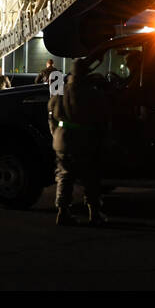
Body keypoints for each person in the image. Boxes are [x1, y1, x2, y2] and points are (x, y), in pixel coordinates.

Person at [48, 57, 108, 226]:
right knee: (91, 178)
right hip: (85, 140)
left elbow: (51, 113)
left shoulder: (60, 91)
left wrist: (55, 133)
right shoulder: (93, 93)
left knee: (64, 177)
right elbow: (102, 118)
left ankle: (62, 212)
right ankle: (94, 214)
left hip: (62, 139)